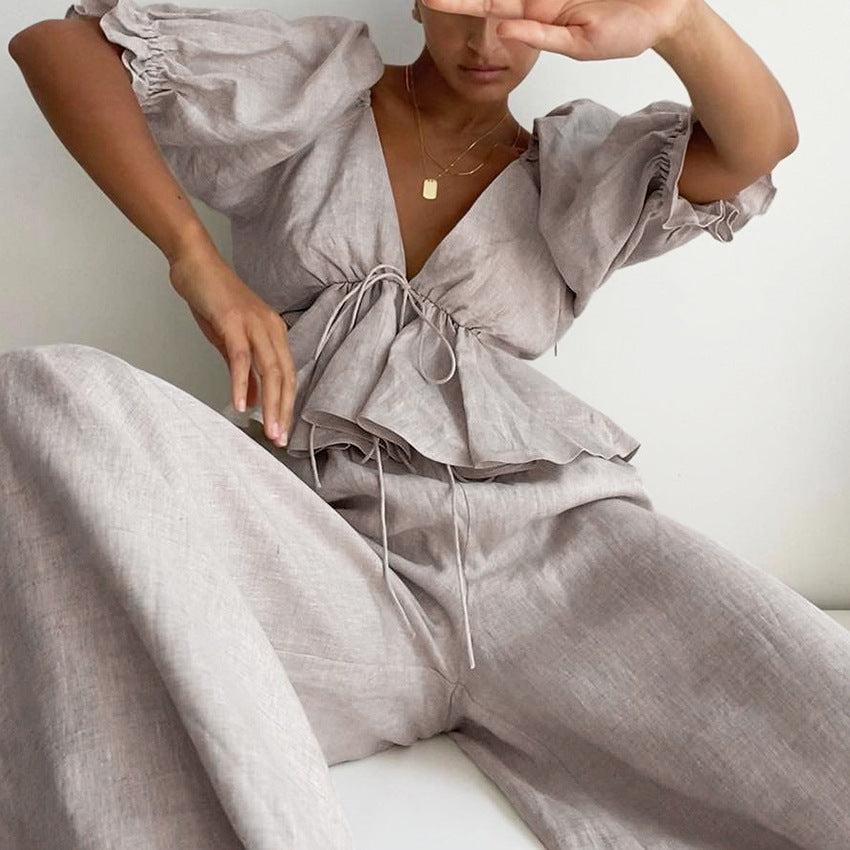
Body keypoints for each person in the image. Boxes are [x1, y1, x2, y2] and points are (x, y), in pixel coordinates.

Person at [3, 0, 848, 848]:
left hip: (540, 560)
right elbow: (62, 44)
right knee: (46, 391)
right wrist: (194, 258)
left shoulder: (575, 170)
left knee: (815, 697)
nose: (484, 43)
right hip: (316, 559)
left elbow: (756, 146)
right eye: (461, 8)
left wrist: (676, 21)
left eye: (516, 10)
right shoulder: (315, 86)